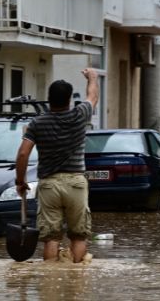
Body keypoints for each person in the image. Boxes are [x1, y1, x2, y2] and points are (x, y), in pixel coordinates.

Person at [14, 69, 99, 263]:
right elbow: (93, 96)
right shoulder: (80, 115)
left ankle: (50, 278)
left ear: (49, 98)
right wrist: (92, 77)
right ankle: (77, 278)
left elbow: (23, 153)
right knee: (78, 236)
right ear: (69, 100)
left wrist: (20, 181)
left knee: (51, 238)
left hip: (49, 185)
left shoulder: (37, 123)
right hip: (76, 183)